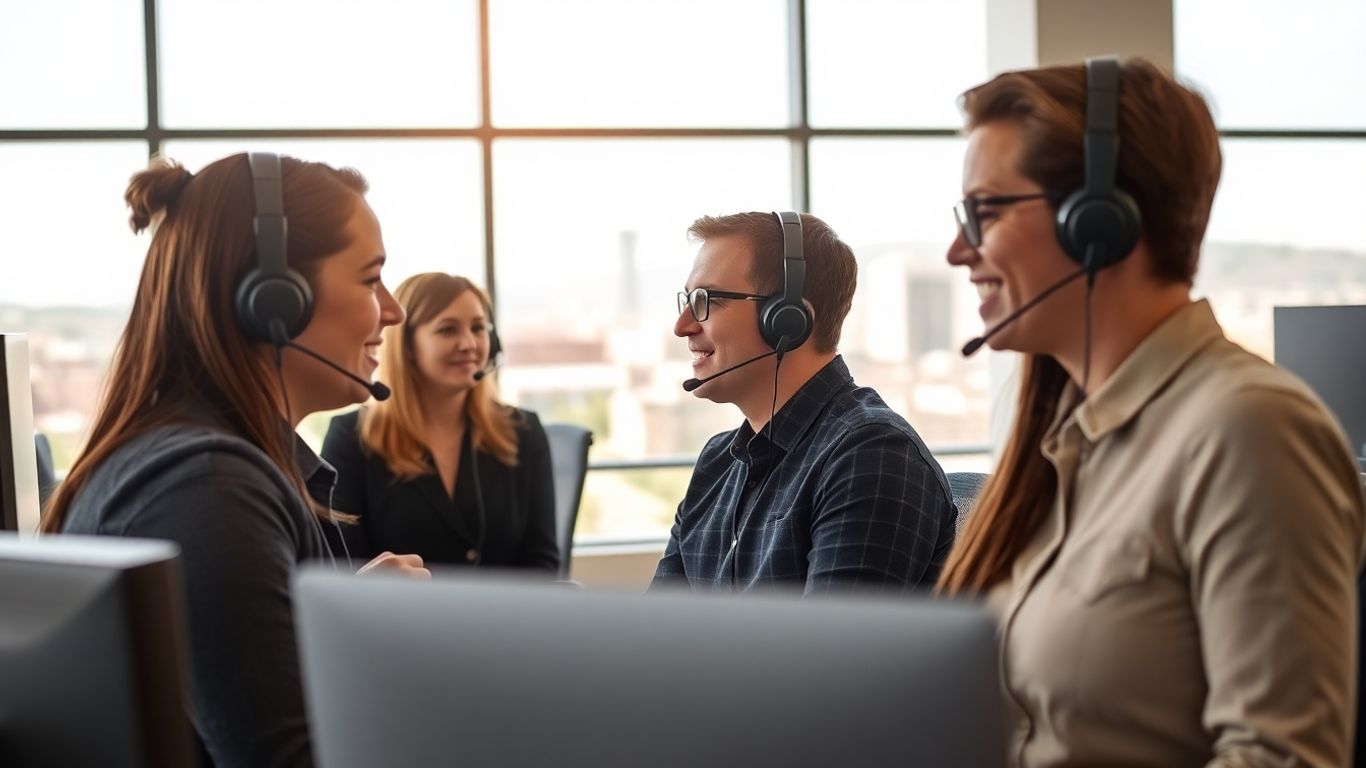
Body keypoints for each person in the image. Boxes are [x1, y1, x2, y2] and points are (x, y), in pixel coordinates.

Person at [937, 56, 1366, 767]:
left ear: (1097, 221)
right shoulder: (1063, 441)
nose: (959, 250)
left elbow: (1281, 758)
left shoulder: (1247, 430)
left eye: (985, 211)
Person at [40, 152, 428, 767]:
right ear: (274, 300)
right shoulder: (206, 486)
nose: (393, 310)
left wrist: (339, 624)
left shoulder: (213, 471)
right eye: (369, 278)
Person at [650, 211, 956, 595]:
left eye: (706, 300)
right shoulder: (718, 463)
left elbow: (828, 651)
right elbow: (655, 632)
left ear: (786, 321)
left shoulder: (871, 454)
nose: (683, 325)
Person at [322, 272, 559, 573]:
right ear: (406, 345)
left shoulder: (522, 431)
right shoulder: (352, 437)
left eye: (478, 328)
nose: (469, 344)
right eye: (448, 330)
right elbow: (343, 565)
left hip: (506, 620)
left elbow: (544, 565)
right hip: (398, 619)